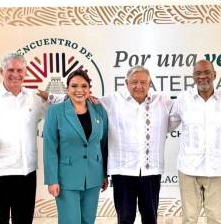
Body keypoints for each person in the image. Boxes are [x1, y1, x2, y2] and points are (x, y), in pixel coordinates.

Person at [48, 65, 173, 224]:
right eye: (134, 82)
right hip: (122, 172)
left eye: (143, 82)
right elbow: (78, 97)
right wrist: (49, 96)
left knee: (150, 218)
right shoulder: (110, 101)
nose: (138, 86)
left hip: (150, 171)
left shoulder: (163, 102)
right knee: (124, 218)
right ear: (126, 83)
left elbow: (176, 118)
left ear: (150, 84)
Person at [0, 52, 53, 224]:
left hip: (25, 172)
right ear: (1, 71)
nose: (15, 74)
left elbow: (60, 110)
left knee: (24, 220)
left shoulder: (35, 98)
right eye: (11, 70)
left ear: (26, 72)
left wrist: (51, 97)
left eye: (20, 70)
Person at [169, 59, 221, 224]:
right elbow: (168, 125)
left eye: (207, 72)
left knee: (215, 218)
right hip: (188, 168)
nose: (203, 77)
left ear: (214, 75)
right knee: (189, 219)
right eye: (198, 73)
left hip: (216, 168)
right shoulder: (183, 99)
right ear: (193, 77)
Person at [43, 69, 109, 224]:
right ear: (67, 89)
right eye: (74, 86)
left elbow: (104, 143)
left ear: (89, 89)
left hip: (93, 177)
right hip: (66, 179)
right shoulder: (55, 112)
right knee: (70, 221)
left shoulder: (99, 110)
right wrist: (52, 180)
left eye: (84, 86)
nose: (79, 90)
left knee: (88, 221)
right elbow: (50, 148)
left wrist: (104, 174)